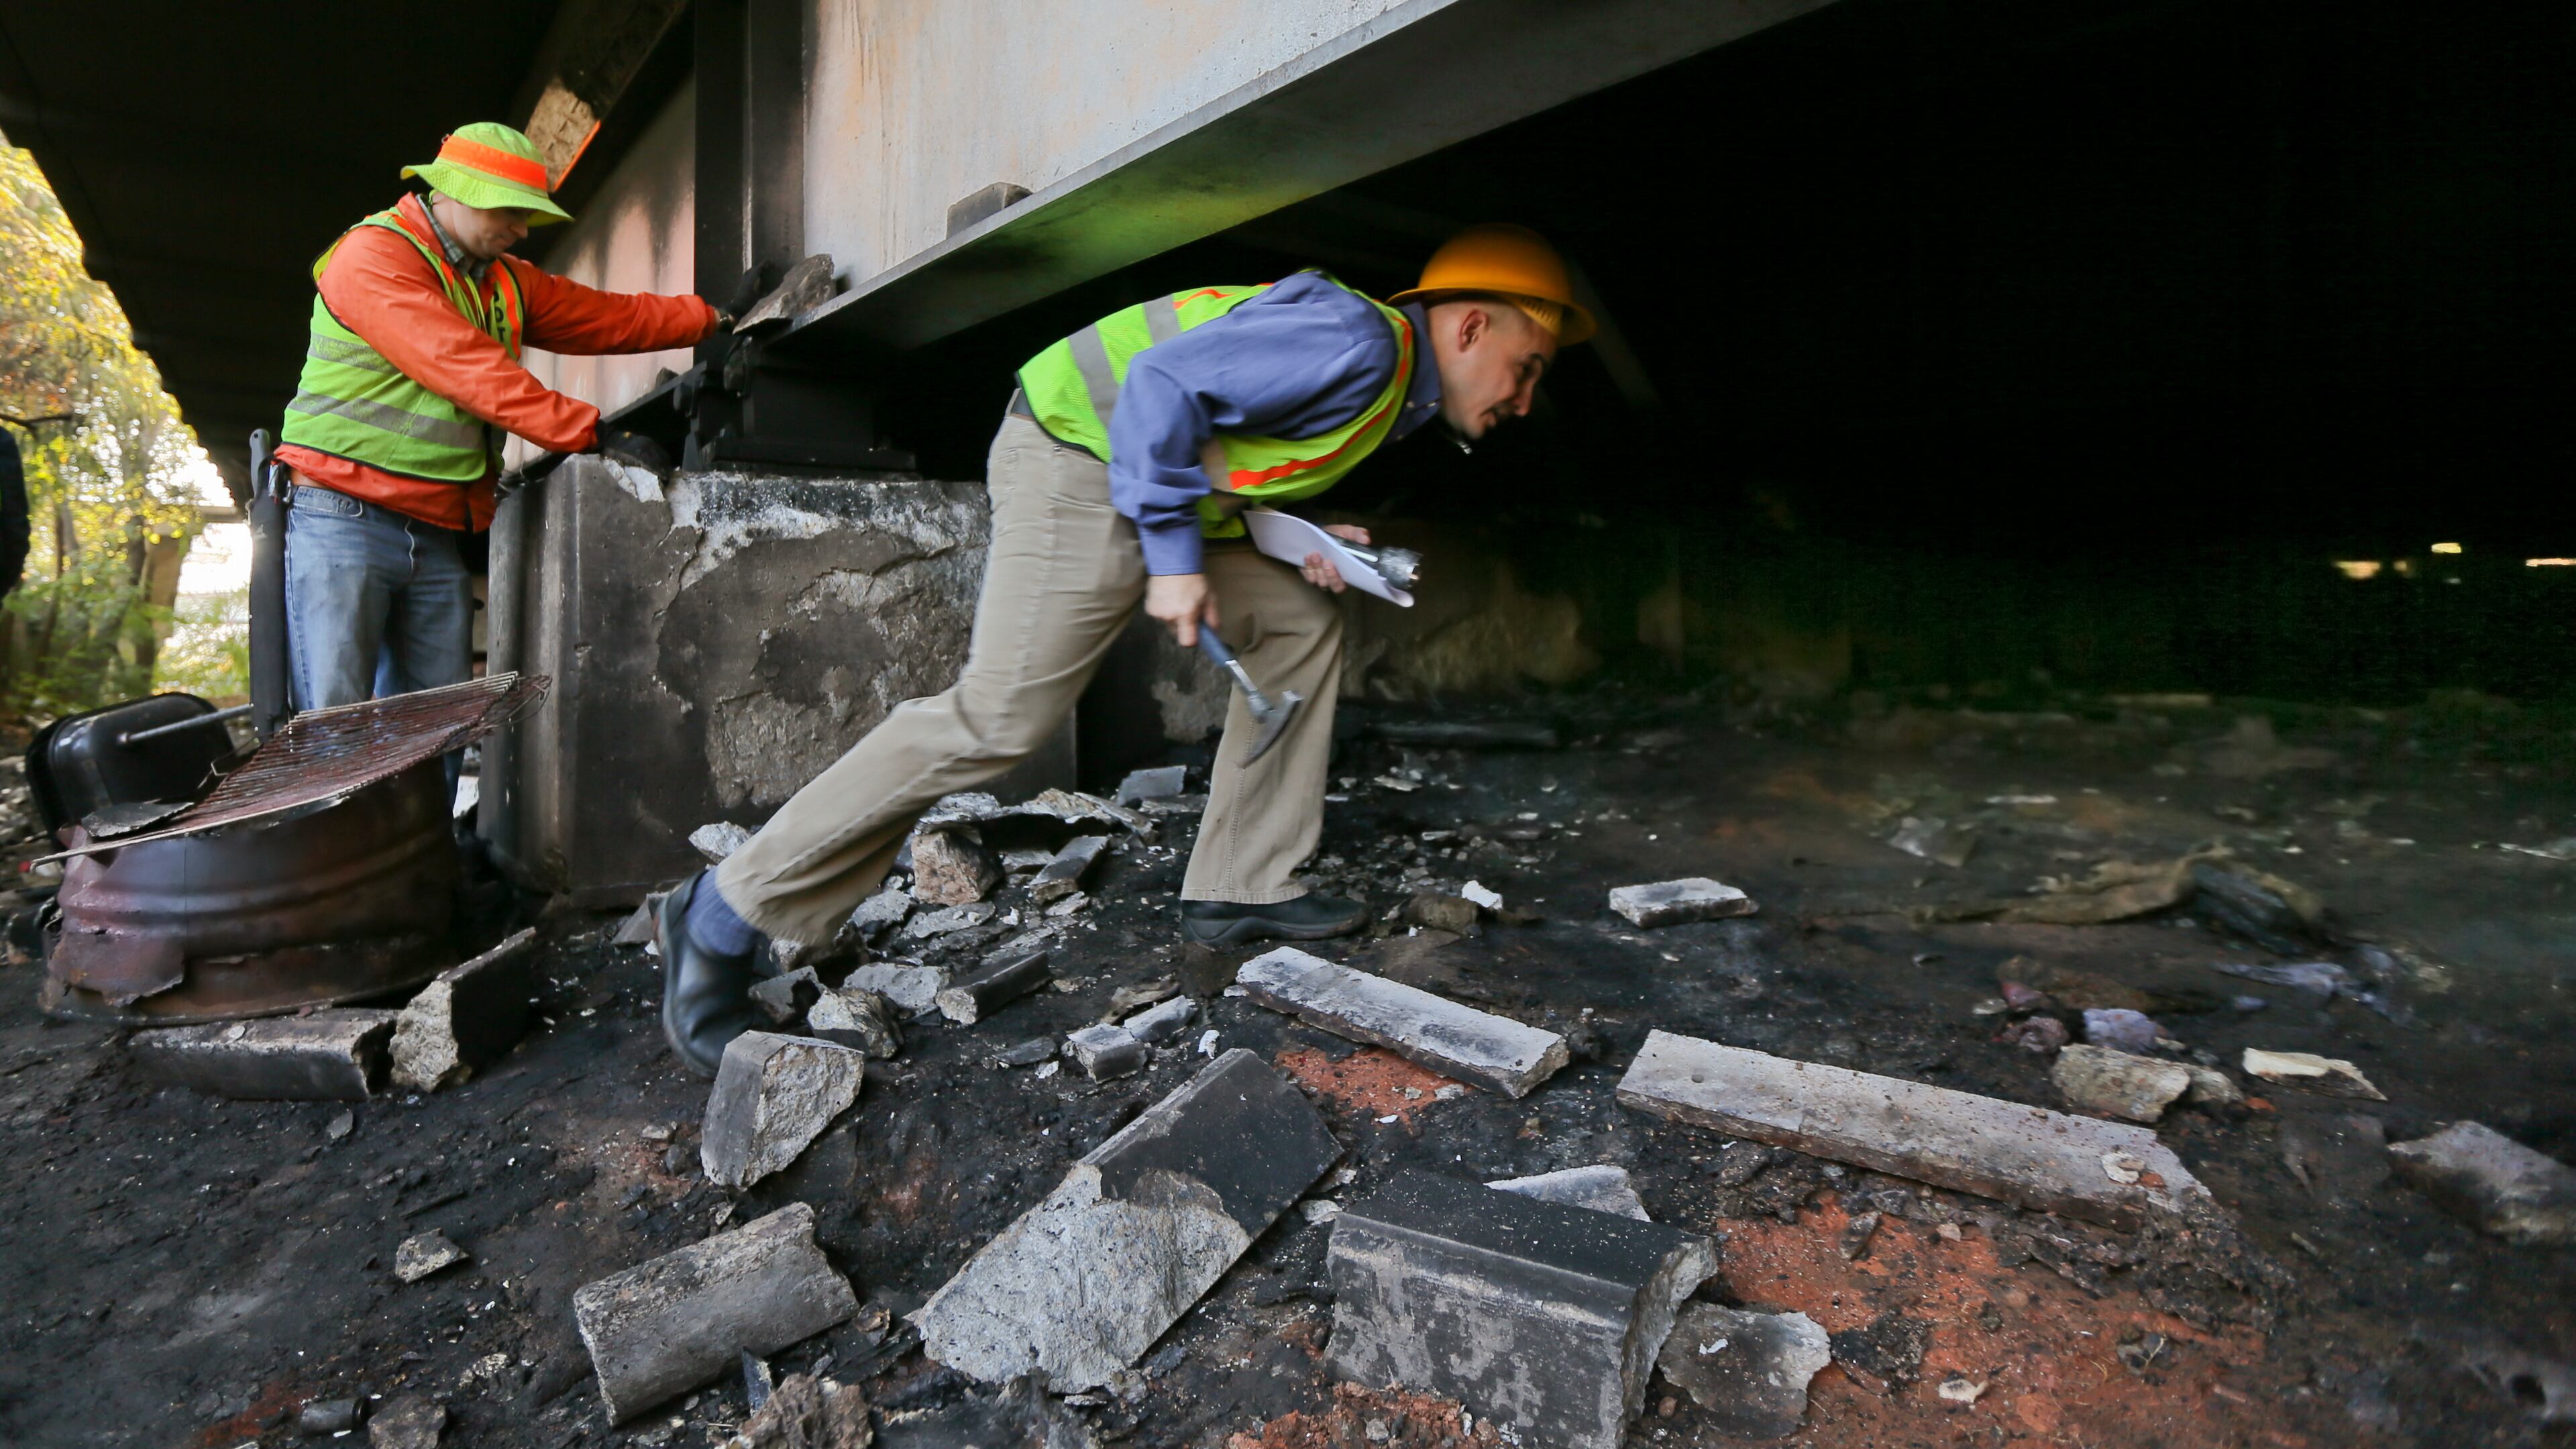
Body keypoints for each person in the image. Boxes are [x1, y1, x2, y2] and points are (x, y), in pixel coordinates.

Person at [655, 225, 1594, 1075]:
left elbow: (1217, 441)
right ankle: (724, 911)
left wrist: (1297, 531)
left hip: (1136, 476)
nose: (1528, 393)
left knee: (1303, 624)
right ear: (1470, 328)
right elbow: (1161, 388)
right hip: (1076, 459)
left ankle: (1241, 883)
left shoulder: (1384, 389)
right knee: (1001, 718)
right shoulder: (1357, 340)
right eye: (1532, 364)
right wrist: (1179, 559)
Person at [274, 122, 739, 708]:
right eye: (512, 214)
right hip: (340, 514)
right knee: (331, 728)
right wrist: (593, 433)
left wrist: (715, 318)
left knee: (437, 730)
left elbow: (607, 316)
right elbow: (463, 366)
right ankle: (340, 807)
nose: (522, 231)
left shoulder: (501, 282)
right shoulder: (374, 256)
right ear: (455, 192)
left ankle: (425, 807)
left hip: (433, 527)